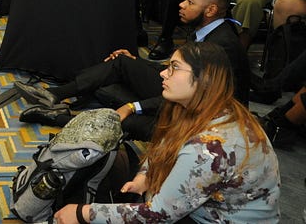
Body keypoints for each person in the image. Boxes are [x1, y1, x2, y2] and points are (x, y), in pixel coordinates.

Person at [53, 42, 280, 224]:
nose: (163, 73)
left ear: (204, 79)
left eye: (174, 67)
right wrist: (145, 175)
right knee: (113, 160)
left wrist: (83, 213)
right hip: (205, 207)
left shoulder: (211, 148)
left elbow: (159, 215)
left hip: (213, 218)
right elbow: (162, 145)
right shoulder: (207, 107)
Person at [18, 0, 250, 140]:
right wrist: (137, 63)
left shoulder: (221, 46)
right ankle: (55, 95)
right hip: (184, 96)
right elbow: (178, 74)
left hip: (199, 118)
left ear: (210, 10)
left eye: (190, 2)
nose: (181, 4)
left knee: (121, 111)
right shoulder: (206, 30)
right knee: (121, 66)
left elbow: (194, 97)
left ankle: (58, 117)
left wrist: (134, 107)